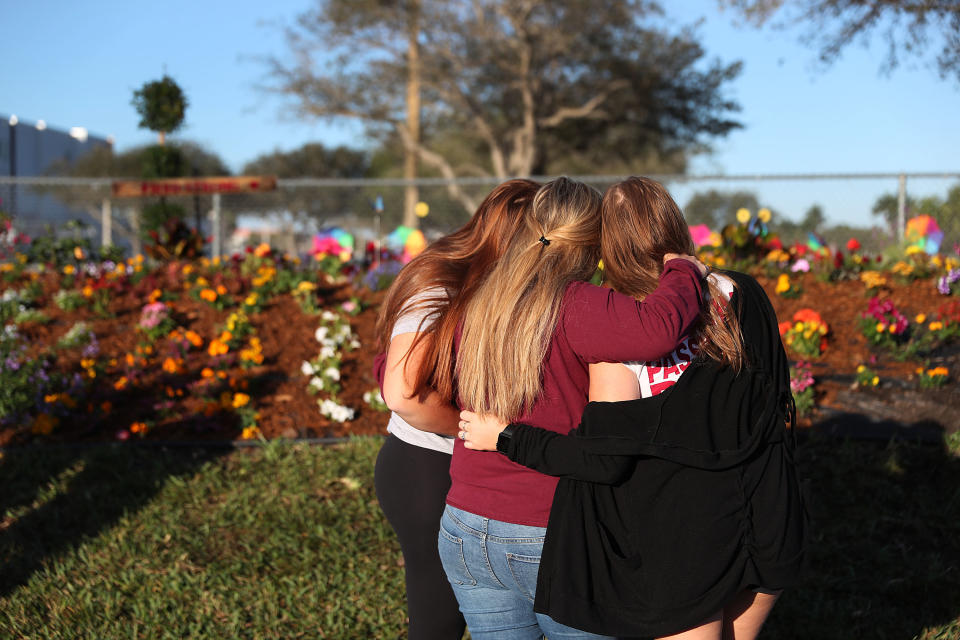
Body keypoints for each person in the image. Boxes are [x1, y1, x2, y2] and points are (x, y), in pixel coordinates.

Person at [458, 176, 807, 639]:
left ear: (606, 244)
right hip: (767, 515)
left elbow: (604, 458)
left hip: (683, 541)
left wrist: (505, 436)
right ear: (675, 224)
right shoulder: (742, 294)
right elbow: (776, 396)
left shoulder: (618, 331)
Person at [438, 177, 709, 639]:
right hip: (547, 531)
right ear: (593, 243)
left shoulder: (481, 299)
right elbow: (659, 328)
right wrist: (684, 270)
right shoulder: (579, 304)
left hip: (464, 526)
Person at [373, 179, 541, 640]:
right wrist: (469, 428)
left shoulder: (489, 285)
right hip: (425, 466)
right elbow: (403, 392)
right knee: (438, 621)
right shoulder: (443, 284)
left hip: (446, 465)